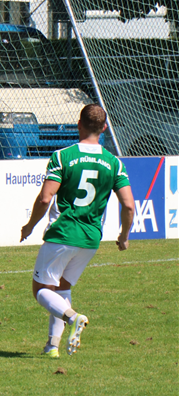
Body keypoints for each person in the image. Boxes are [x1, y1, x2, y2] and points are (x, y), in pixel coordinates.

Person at [20, 104, 135, 358]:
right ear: (104, 128)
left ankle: (73, 317)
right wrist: (124, 236)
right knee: (62, 289)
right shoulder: (114, 162)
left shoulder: (63, 156)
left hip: (63, 233)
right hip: (91, 239)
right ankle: (52, 347)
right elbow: (128, 204)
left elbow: (44, 198)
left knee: (40, 290)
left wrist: (29, 226)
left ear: (78, 124)